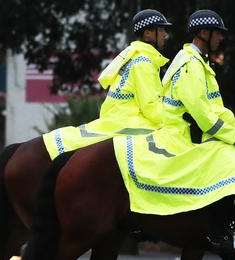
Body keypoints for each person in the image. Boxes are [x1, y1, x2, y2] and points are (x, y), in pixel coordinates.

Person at [159, 9, 235, 252]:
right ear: (204, 33)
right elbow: (203, 115)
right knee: (230, 159)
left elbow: (215, 109)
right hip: (180, 134)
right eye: (218, 33)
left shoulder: (200, 63)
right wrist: (234, 137)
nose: (221, 38)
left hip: (194, 129)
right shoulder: (190, 65)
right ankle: (219, 232)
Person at [43, 9, 172, 158]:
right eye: (161, 30)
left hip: (118, 115)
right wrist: (173, 121)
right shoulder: (143, 62)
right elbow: (150, 106)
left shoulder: (134, 55)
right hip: (129, 120)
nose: (165, 35)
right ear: (148, 33)